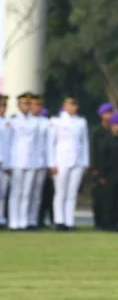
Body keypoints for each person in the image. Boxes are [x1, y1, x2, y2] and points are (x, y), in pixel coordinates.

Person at [49, 96, 90, 231]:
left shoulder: (81, 122)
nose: (74, 107)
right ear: (65, 105)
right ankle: (59, 221)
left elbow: (84, 143)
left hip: (77, 160)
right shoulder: (56, 121)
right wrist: (51, 163)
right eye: (71, 104)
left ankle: (69, 221)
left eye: (76, 104)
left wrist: (85, 162)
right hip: (61, 160)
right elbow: (51, 143)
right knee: (60, 192)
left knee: (72, 193)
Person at [94, 112, 118, 231]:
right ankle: (107, 223)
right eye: (116, 124)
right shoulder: (106, 140)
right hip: (109, 175)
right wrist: (101, 175)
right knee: (108, 201)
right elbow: (101, 159)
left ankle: (117, 223)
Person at [6, 93, 36, 230]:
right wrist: (8, 162)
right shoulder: (12, 121)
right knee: (15, 193)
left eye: (29, 103)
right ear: (19, 105)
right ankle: (14, 221)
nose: (27, 106)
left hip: (31, 160)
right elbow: (8, 143)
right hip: (16, 160)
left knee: (27, 193)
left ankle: (23, 221)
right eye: (25, 103)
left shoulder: (34, 121)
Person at [88, 103, 114, 227]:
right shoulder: (97, 131)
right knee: (99, 197)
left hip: (111, 169)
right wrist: (94, 168)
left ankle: (109, 221)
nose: (109, 115)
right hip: (99, 168)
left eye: (111, 112)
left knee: (110, 197)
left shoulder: (113, 130)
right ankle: (99, 222)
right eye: (107, 113)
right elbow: (93, 150)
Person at [31, 97, 52, 229]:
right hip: (24, 162)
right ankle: (20, 221)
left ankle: (35, 220)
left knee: (37, 194)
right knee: (23, 193)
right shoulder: (18, 121)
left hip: (41, 162)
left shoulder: (46, 122)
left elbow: (49, 145)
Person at [0, 95, 11, 227]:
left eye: (4, 106)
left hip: (5, 161)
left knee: (2, 192)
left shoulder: (9, 122)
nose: (3, 108)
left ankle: (1, 218)